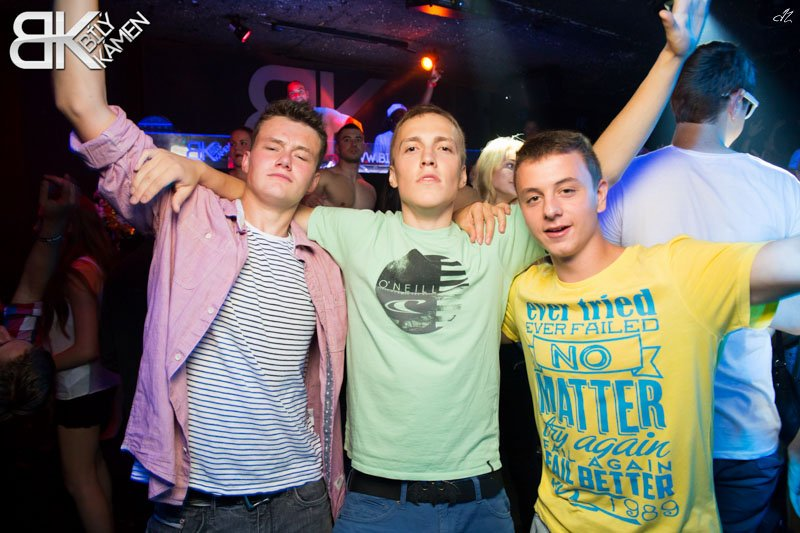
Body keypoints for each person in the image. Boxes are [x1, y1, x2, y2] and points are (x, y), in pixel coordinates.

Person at [126, 1, 709, 530]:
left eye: (444, 148)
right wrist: (199, 172)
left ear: (462, 174)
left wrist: (671, 57)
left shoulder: (499, 233)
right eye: (411, 148)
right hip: (376, 500)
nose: (428, 157)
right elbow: (267, 200)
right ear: (393, 173)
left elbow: (597, 166)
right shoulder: (353, 231)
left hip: (481, 497)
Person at [54, 1, 348, 531]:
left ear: (313, 178)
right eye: (273, 146)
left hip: (302, 500)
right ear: (246, 157)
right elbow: (80, 103)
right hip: (199, 506)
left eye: (302, 155)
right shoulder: (188, 211)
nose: (286, 158)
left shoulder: (326, 258)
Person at [503, 129, 800, 532]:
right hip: (555, 523)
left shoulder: (677, 273)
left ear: (601, 195)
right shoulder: (524, 292)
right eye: (533, 198)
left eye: (567, 190)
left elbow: (787, 262)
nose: (550, 210)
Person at [600, 41, 800, 531]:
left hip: (643, 435)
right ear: (737, 102)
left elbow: (597, 297)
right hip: (740, 434)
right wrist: (742, 303)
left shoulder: (625, 180)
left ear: (676, 101)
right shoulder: (780, 187)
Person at [39, 183, 119, 533]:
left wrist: (37, 366)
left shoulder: (77, 273)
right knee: (93, 471)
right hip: (96, 384)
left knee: (79, 482)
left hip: (80, 388)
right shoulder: (97, 265)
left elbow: (88, 346)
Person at [371, 67, 442, 165]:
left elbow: (422, 108)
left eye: (404, 114)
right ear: (391, 119)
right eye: (398, 114)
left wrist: (431, 84)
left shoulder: (411, 134)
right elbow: (376, 165)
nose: (402, 117)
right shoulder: (382, 139)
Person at [303, 124, 377, 209]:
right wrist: (306, 200)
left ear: (364, 147)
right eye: (347, 140)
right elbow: (300, 207)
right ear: (337, 148)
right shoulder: (323, 177)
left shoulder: (370, 190)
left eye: (358, 139)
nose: (354, 144)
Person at [287, 80, 363, 159]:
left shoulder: (324, 114)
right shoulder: (285, 121)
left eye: (300, 91)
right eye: (292, 93)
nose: (297, 95)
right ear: (289, 98)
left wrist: (348, 149)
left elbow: (355, 123)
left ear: (307, 94)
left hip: (323, 164)